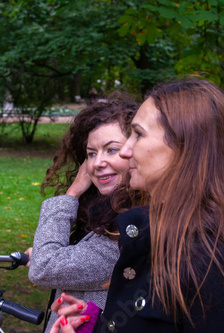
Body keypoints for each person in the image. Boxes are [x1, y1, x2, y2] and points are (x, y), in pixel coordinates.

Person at [48, 78, 224, 333]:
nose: (126, 150)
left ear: (183, 146)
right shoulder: (157, 235)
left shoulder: (206, 259)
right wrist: (97, 325)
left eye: (138, 134)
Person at [26, 94, 142, 333]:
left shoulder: (127, 235)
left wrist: (72, 193)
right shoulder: (115, 215)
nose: (97, 162)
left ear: (136, 152)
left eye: (111, 150)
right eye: (91, 153)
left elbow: (43, 267)